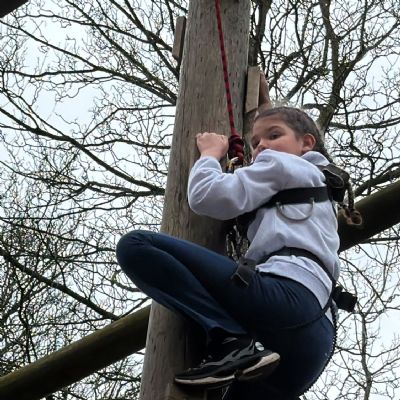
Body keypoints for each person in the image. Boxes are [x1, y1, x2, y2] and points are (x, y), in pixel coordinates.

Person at [116, 106, 356, 399]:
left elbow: (206, 196)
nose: (262, 146)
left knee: (136, 246)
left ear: (307, 143)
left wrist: (209, 155)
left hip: (286, 300)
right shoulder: (321, 183)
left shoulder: (279, 163)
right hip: (316, 340)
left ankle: (229, 339)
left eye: (273, 136)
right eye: (255, 143)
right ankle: (238, 350)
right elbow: (276, 122)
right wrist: (262, 99)